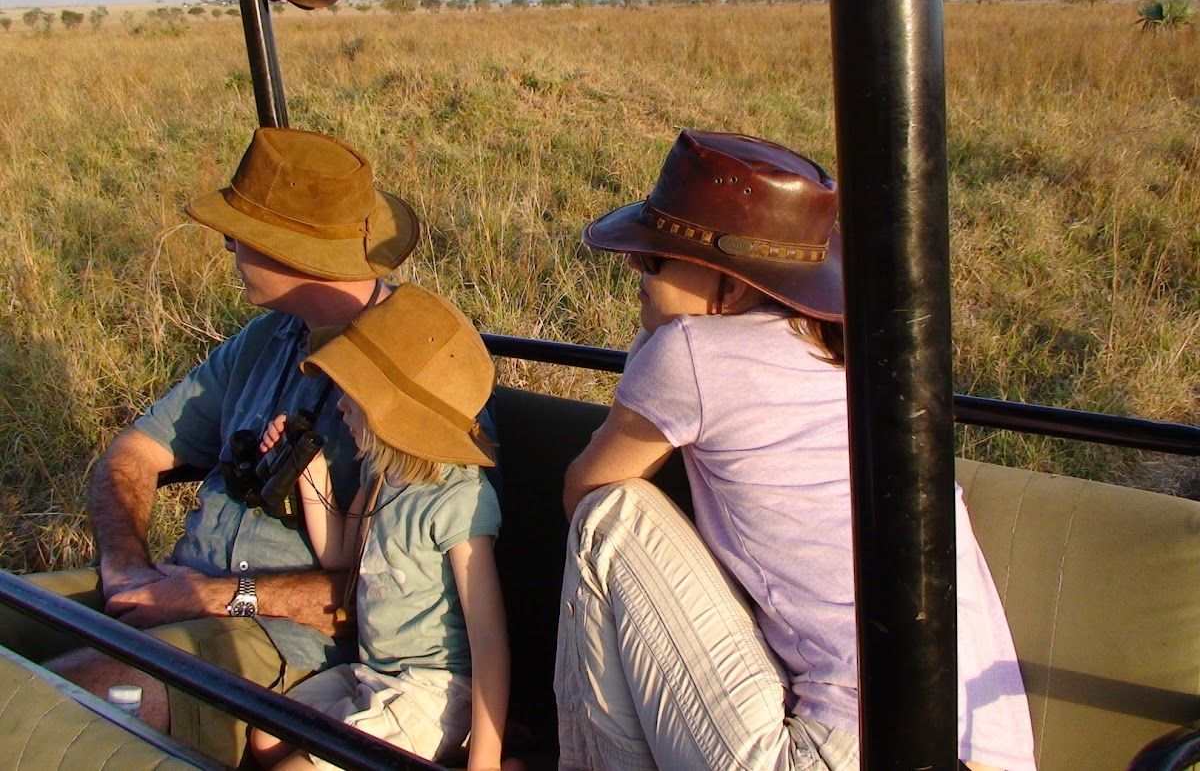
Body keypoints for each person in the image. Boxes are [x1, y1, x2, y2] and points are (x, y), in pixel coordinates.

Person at [554, 130, 1037, 771]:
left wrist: (662, 339)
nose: (635, 269)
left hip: (841, 751)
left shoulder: (692, 355)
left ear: (733, 284)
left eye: (656, 259)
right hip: (984, 750)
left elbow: (587, 490)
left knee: (609, 519)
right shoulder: (859, 358)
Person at [0, 127, 421, 766]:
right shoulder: (265, 339)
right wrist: (126, 568)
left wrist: (217, 596)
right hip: (176, 588)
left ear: (287, 252)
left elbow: (395, 598)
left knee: (51, 710)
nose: (226, 245)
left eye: (236, 234)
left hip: (279, 639)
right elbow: (134, 454)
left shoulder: (414, 371)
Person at [248, 282, 508, 770]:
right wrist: (309, 468)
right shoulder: (382, 473)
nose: (339, 405)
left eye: (352, 394)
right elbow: (339, 555)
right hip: (373, 672)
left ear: (394, 410)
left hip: (433, 689)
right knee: (265, 737)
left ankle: (473, 749)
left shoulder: (459, 501)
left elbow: (489, 640)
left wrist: (486, 759)